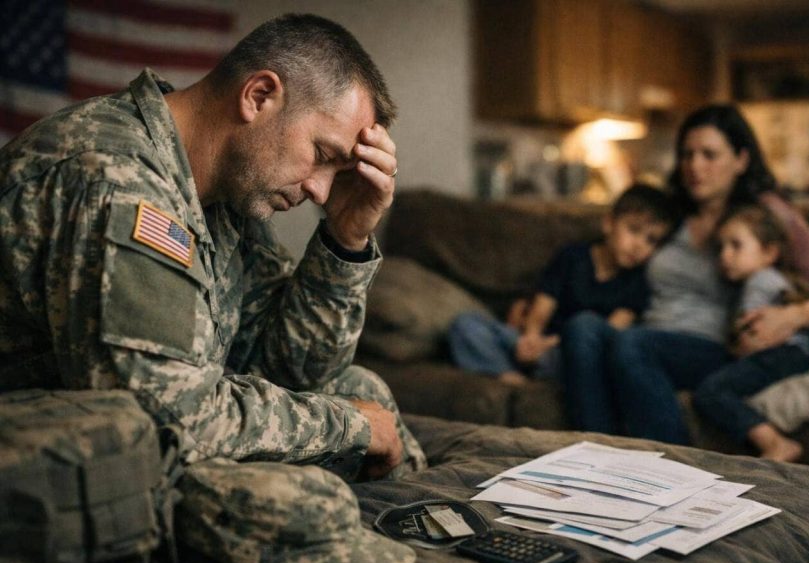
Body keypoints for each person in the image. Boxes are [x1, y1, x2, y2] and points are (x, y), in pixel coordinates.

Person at [0, 14, 425, 479]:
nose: (320, 192)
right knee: (307, 491)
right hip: (43, 451)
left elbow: (292, 370)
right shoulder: (115, 178)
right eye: (322, 156)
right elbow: (167, 418)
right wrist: (347, 427)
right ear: (258, 96)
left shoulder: (227, 192)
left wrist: (345, 238)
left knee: (359, 389)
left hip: (134, 435)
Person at [611, 104, 809, 445]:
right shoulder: (670, 213)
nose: (694, 166)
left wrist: (792, 316)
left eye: (709, 154)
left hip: (720, 349)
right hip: (656, 340)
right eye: (687, 154)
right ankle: (589, 459)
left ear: (741, 160)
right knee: (591, 334)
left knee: (632, 344)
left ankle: (673, 462)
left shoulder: (764, 216)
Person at [447, 184, 679, 431]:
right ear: (609, 224)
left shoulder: (638, 282)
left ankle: (527, 369)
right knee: (466, 324)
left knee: (586, 357)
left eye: (651, 240)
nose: (639, 245)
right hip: (535, 341)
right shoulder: (573, 257)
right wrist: (530, 337)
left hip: (566, 355)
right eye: (633, 230)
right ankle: (508, 375)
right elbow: (543, 305)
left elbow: (610, 331)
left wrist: (546, 346)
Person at [693, 204, 809, 461]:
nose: (725, 256)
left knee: (712, 391)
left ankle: (775, 443)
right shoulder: (771, 280)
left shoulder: (760, 281)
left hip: (782, 355)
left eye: (736, 246)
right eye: (721, 248)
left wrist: (737, 343)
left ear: (769, 252)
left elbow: (749, 336)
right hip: (793, 354)